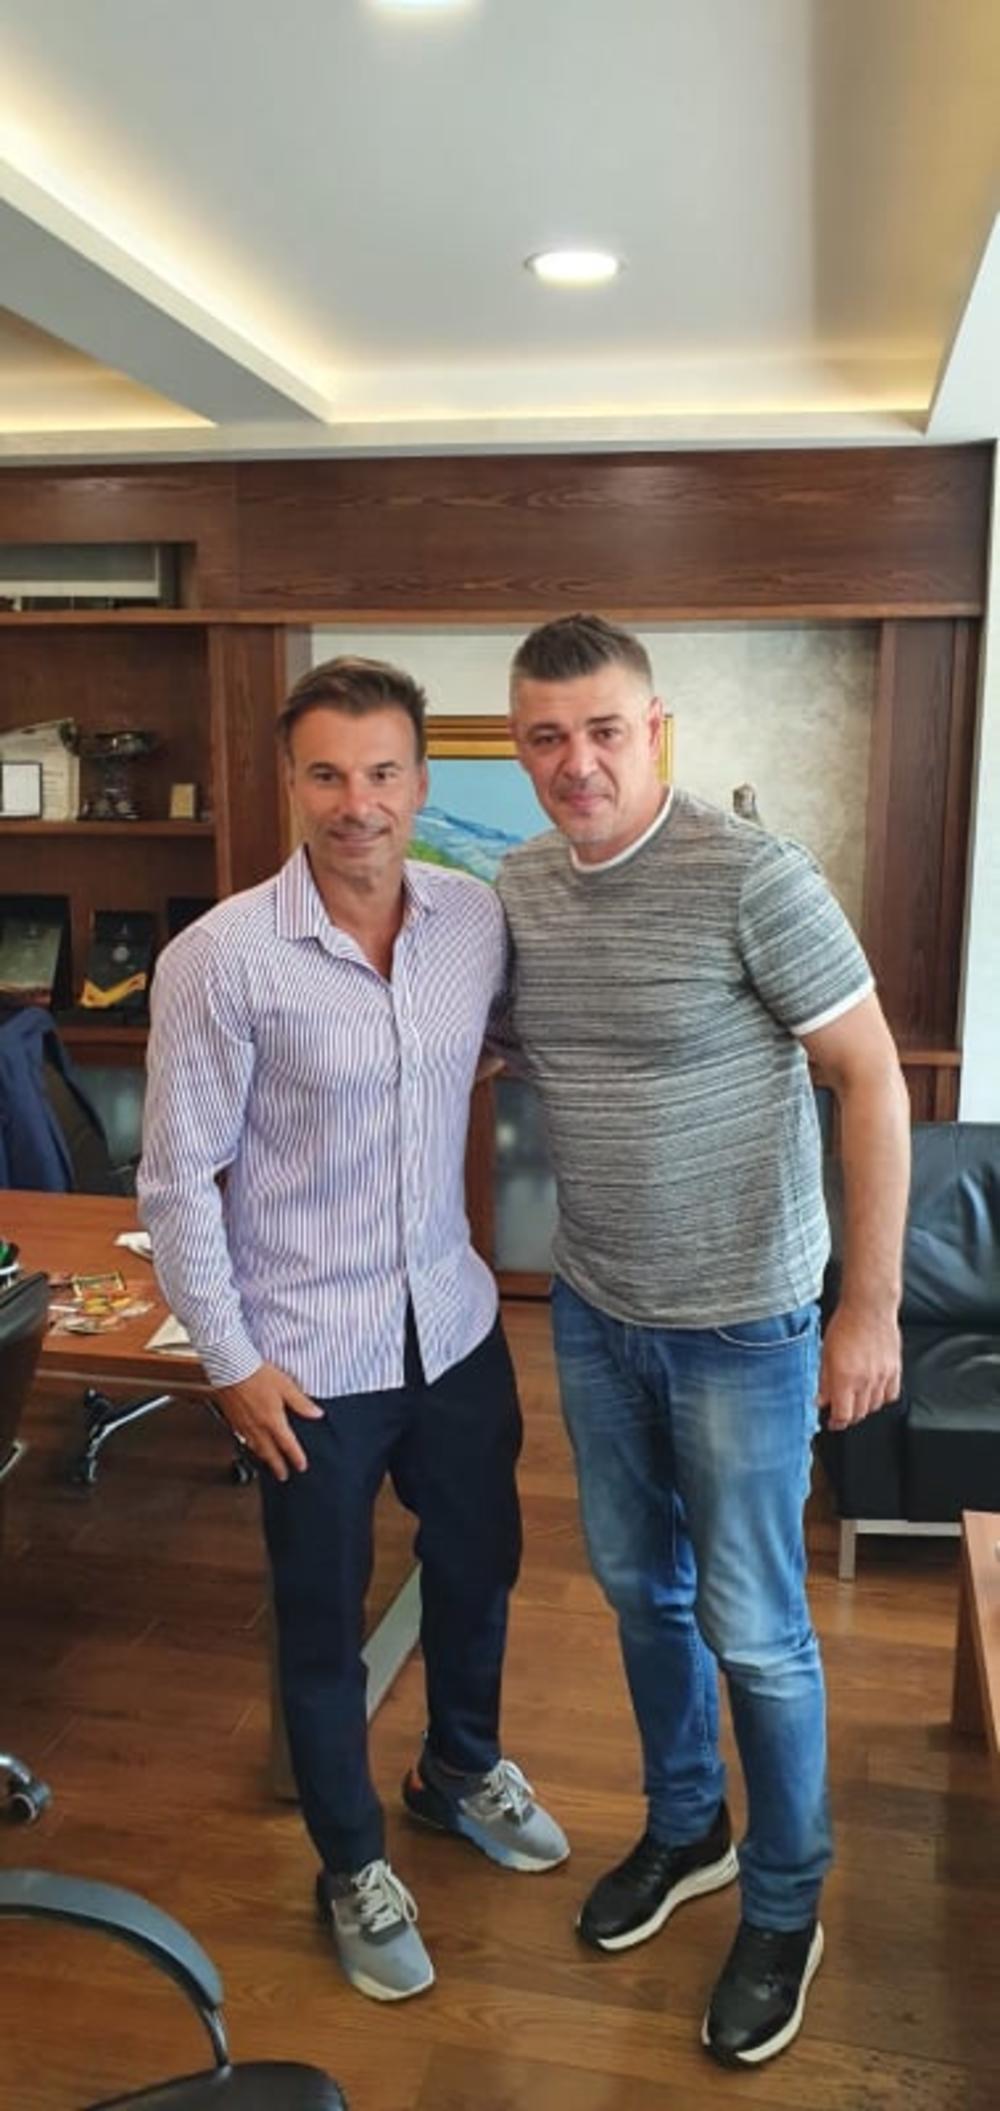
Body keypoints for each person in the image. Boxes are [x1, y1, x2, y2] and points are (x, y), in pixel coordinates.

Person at [497, 613, 910, 2068]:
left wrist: (867, 1307)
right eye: (547, 736)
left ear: (655, 728)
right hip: (598, 1311)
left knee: (758, 1630)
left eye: (604, 730)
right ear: (521, 746)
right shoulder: (520, 888)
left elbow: (871, 1079)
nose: (578, 762)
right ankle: (691, 1830)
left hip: (746, 1325)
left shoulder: (752, 874)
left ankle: (786, 1902)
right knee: (639, 1595)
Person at [139, 654, 568, 2007]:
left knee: (481, 1566)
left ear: (421, 781)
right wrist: (229, 1364)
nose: (356, 802)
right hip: (306, 1359)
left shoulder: (472, 921)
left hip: (453, 1323)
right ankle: (351, 1864)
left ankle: (458, 1770)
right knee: (322, 1624)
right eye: (326, 774)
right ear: (291, 782)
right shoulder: (221, 958)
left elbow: (509, 1046)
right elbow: (175, 1182)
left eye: (382, 772)